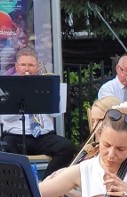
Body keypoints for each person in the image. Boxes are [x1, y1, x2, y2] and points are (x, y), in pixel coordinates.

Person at [0, 46, 75, 183]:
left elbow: (56, 114)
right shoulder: (6, 86)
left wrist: (52, 96)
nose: (26, 69)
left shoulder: (46, 84)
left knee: (67, 147)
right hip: (15, 137)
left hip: (43, 136)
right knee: (4, 148)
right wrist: (23, 101)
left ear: (37, 66)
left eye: (30, 65)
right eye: (23, 65)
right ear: (16, 66)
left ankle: (47, 186)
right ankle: (20, 188)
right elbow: (4, 116)